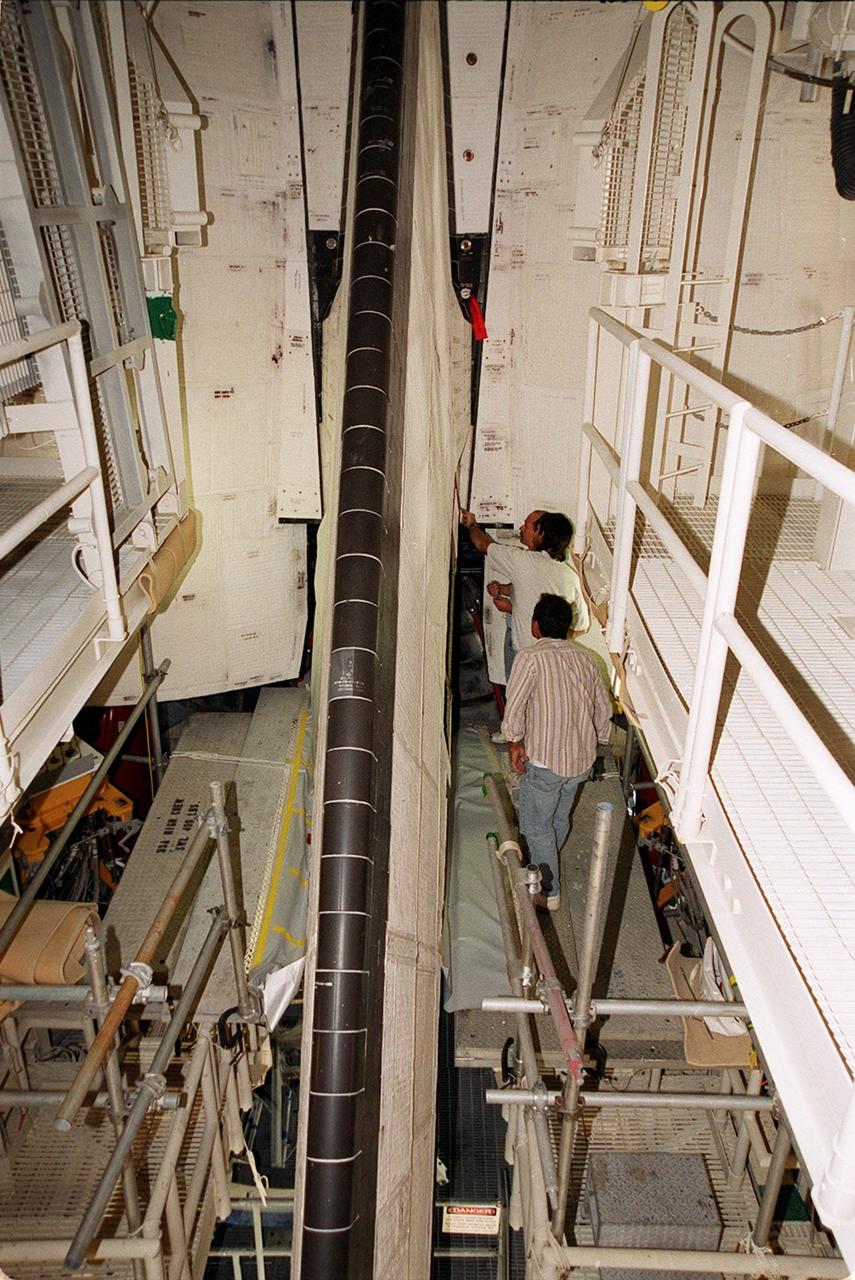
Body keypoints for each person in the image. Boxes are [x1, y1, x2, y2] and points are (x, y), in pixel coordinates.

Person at [501, 593, 612, 911]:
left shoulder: (529, 658)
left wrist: (514, 741)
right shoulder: (588, 659)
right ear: (568, 628)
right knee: (559, 818)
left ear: (535, 626)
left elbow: (516, 705)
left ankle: (547, 891)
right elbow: (602, 709)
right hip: (580, 762)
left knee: (537, 826)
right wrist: (599, 741)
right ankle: (543, 860)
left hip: (547, 763)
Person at [459, 507, 590, 679]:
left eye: (527, 525)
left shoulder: (524, 561)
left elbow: (483, 544)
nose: (521, 528)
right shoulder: (570, 577)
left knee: (518, 702)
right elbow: (582, 627)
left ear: (541, 534)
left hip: (525, 661)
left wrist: (472, 525)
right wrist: (506, 591)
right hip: (553, 665)